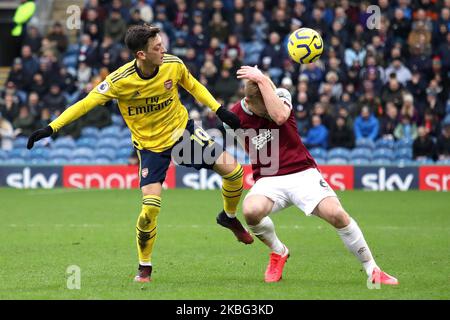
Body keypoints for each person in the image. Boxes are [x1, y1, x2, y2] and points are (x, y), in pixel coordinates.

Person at [26, 24, 253, 283]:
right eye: (157, 47)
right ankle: (144, 265)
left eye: (162, 44)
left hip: (182, 134)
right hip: (149, 147)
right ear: (141, 55)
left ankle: (229, 217)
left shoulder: (172, 64)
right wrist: (52, 127)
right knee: (150, 209)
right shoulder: (119, 81)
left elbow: (193, 85)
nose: (164, 50)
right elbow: (86, 103)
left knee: (235, 172)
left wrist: (219, 109)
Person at [228, 65, 397, 285]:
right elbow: (246, 147)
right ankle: (279, 251)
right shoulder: (234, 115)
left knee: (337, 214)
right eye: (263, 106)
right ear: (249, 102)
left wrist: (263, 80)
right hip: (269, 178)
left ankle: (373, 269)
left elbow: (279, 116)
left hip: (302, 172)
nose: (269, 108)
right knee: (251, 211)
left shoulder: (280, 95)